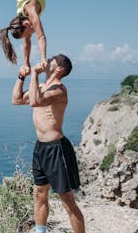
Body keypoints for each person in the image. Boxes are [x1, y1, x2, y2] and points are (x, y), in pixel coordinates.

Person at [11, 54, 84, 233]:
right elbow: (17, 99)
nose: (47, 60)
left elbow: (35, 102)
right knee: (39, 194)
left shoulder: (59, 90)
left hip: (57, 148)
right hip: (41, 148)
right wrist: (22, 77)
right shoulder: (41, 86)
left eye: (51, 60)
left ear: (59, 69)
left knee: (66, 200)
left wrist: (35, 74)